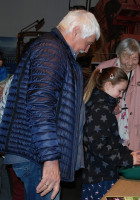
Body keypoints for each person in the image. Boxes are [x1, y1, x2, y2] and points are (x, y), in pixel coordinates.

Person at [0, 9, 100, 200]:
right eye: (88, 44)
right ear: (77, 30)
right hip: (37, 156)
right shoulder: (51, 51)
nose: (87, 50)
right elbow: (40, 107)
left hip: (37, 154)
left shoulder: (54, 50)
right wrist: (50, 159)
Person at [81, 67, 140, 199]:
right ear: (108, 85)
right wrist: (127, 160)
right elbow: (100, 147)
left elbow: (112, 141)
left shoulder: (103, 107)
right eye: (120, 91)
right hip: (99, 178)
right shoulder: (99, 109)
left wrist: (128, 152)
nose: (121, 96)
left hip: (104, 173)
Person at [97, 38, 140, 151]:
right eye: (126, 57)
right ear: (118, 54)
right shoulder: (103, 70)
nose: (130, 63)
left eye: (135, 58)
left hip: (133, 142)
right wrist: (108, 108)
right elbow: (91, 98)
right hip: (104, 139)